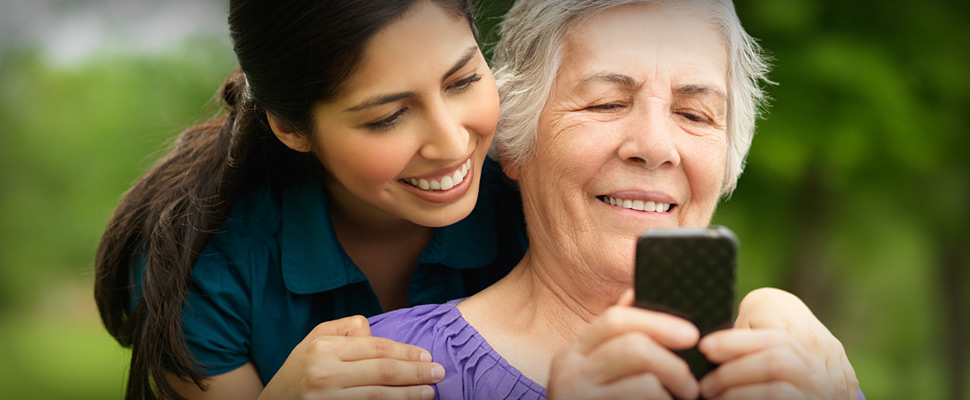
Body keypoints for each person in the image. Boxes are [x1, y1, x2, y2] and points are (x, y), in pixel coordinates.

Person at [369, 0, 862, 399]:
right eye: (606, 103)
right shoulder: (378, 371)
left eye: (694, 114)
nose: (653, 148)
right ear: (516, 142)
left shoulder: (800, 376)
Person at [93, 0, 528, 399]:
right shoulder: (200, 267)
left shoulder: (532, 200)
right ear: (291, 128)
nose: (452, 144)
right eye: (388, 117)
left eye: (464, 80)